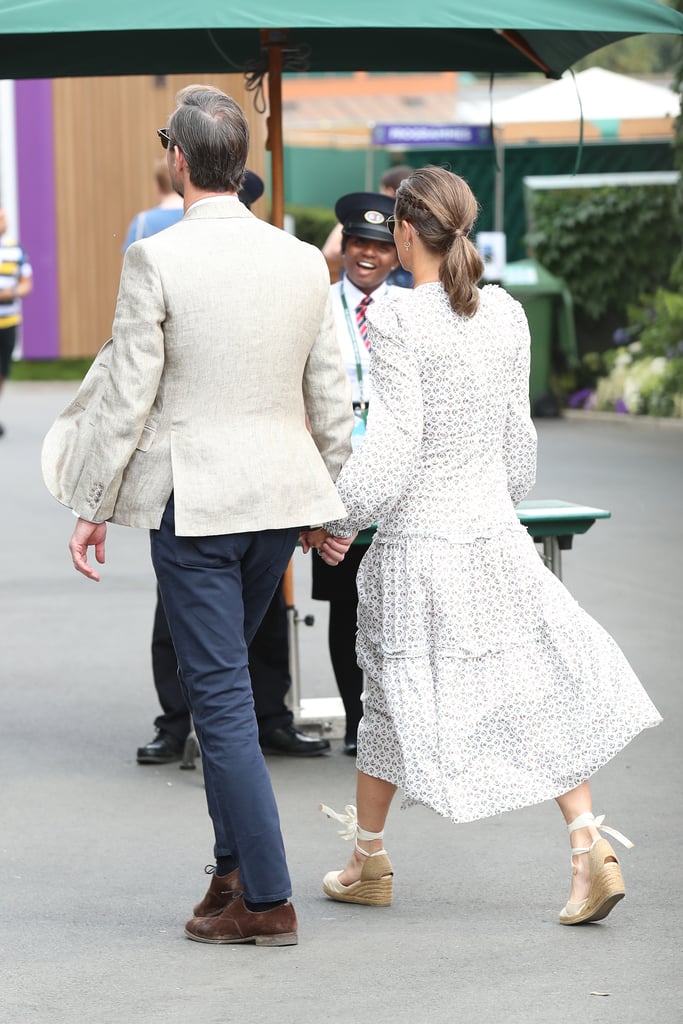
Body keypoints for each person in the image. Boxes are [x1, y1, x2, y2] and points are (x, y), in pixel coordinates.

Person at [302, 166, 661, 926]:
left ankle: (370, 859)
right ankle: (581, 845)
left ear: (403, 230)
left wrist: (334, 517)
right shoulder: (503, 313)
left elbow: (393, 451)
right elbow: (518, 450)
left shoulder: (395, 319)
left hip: (417, 548)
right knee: (524, 688)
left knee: (388, 699)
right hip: (492, 533)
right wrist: (491, 511)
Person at [43, 85, 353, 946]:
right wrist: (335, 503)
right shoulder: (299, 259)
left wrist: (90, 504)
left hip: (200, 504)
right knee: (223, 694)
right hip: (280, 502)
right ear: (240, 164)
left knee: (217, 700)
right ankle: (230, 871)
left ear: (178, 159)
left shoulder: (158, 258)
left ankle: (266, 896)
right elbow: (327, 395)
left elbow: (127, 396)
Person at [130, 169, 330, 764]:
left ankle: (265, 715)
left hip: (264, 466)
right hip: (194, 466)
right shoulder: (164, 251)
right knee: (179, 609)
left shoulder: (281, 260)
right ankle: (177, 721)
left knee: (266, 610)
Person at [312, 191, 407, 756]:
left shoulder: (412, 308)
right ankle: (355, 722)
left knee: (400, 599)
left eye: (381, 246)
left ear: (396, 254)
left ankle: (397, 723)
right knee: (345, 602)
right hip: (340, 471)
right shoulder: (319, 304)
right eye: (358, 244)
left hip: (397, 476)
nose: (368, 255)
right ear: (342, 247)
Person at [321, 165, 414, 286]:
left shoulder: (406, 301)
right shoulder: (329, 300)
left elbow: (331, 251)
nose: (369, 253)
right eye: (359, 243)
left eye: (383, 248)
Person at [0, 208, 33, 437]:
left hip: (9, 320)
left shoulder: (15, 249)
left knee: (2, 370)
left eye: (4, 217)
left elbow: (26, 283)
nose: (4, 222)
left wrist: (13, 292)